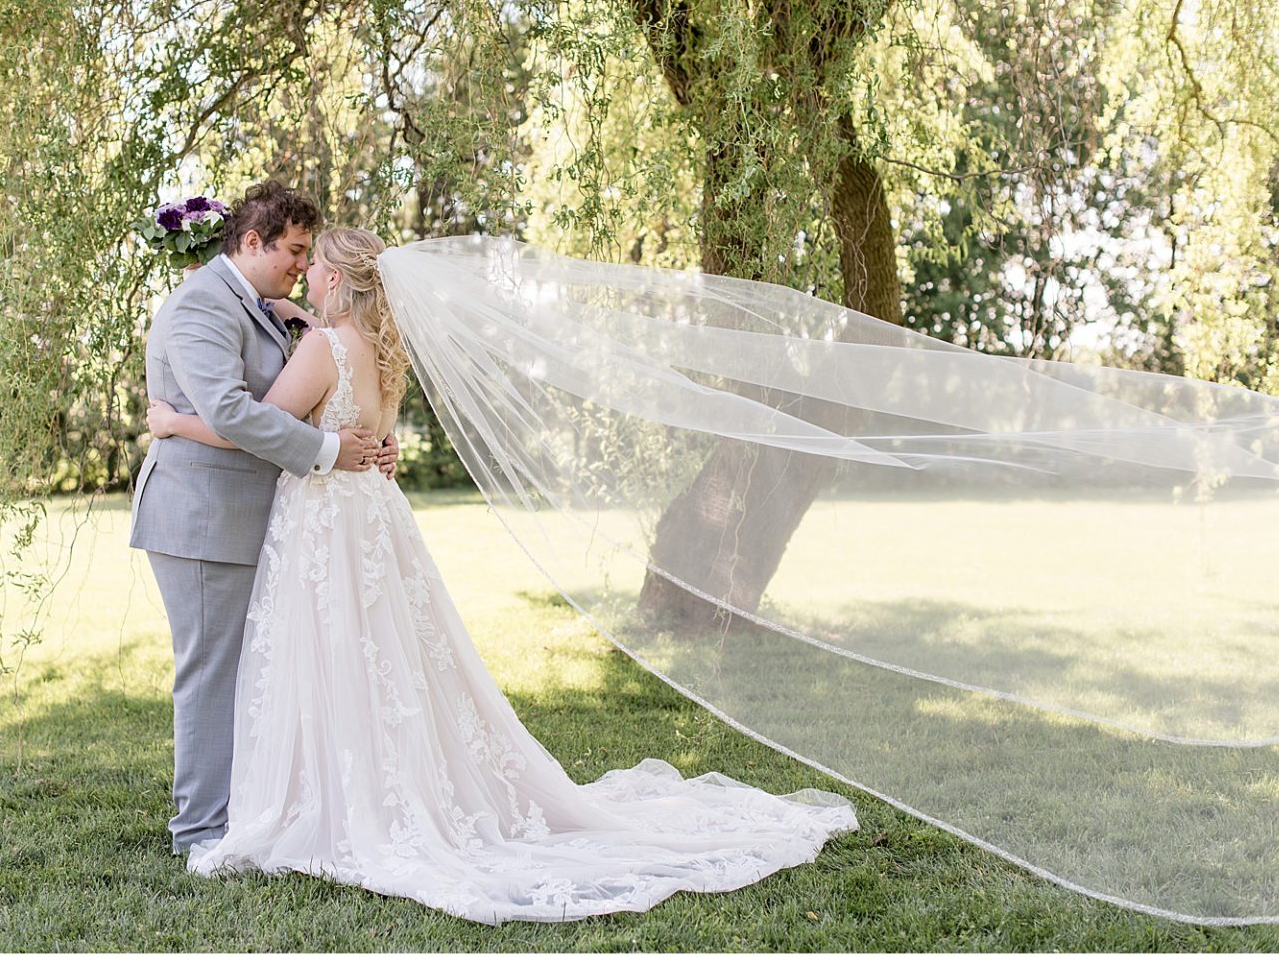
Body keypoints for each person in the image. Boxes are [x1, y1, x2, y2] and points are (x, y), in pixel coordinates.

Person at [144, 227, 858, 924]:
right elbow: (371, 430)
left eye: (315, 267)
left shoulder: (322, 348)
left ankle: (331, 799)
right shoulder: (386, 353)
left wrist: (175, 425)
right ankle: (375, 787)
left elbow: (255, 425)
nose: (305, 278)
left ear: (334, 279)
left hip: (325, 523)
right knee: (390, 659)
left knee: (336, 654)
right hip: (374, 519)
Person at [129, 182, 399, 857]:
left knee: (254, 669)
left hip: (258, 516)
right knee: (212, 672)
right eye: (294, 251)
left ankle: (251, 809)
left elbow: (303, 390)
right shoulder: (199, 308)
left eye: (310, 256)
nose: (301, 268)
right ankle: (200, 830)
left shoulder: (265, 307)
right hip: (201, 517)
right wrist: (331, 449)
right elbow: (230, 412)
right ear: (251, 242)